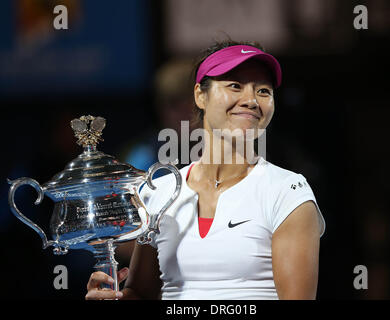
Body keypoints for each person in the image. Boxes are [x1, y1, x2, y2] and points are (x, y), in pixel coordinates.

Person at [85, 39, 326, 300]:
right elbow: (140, 294)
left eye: (264, 91)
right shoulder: (159, 192)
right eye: (235, 86)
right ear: (200, 95)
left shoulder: (288, 192)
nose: (251, 100)